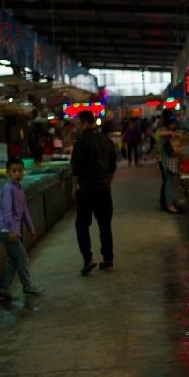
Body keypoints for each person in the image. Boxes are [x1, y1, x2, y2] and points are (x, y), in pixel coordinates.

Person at [71, 110, 117, 274]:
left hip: (86, 190)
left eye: (78, 123)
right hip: (103, 190)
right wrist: (107, 183)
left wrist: (73, 188)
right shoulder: (107, 141)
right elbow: (112, 166)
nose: (77, 126)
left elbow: (76, 168)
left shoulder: (81, 141)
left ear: (84, 123)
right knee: (105, 225)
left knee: (82, 225)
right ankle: (108, 260)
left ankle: (88, 259)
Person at [0, 158, 43, 299]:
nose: (17, 174)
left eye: (20, 171)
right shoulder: (8, 189)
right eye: (14, 171)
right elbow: (7, 210)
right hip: (6, 231)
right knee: (22, 257)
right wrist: (12, 231)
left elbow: (24, 212)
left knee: (13, 258)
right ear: (8, 173)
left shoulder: (20, 190)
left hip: (10, 230)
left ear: (24, 172)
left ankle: (3, 289)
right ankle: (27, 286)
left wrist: (31, 228)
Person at [157, 116, 183, 213]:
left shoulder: (171, 132)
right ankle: (169, 204)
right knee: (169, 184)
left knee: (171, 184)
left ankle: (170, 203)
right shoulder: (164, 131)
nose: (174, 125)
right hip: (168, 163)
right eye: (173, 124)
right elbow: (161, 134)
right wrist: (173, 133)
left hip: (173, 162)